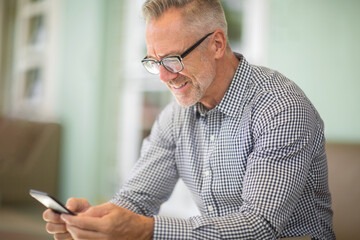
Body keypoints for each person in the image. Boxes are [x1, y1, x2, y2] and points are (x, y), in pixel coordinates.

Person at [43, 0, 335, 239]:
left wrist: (148, 231)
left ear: (217, 44)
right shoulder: (176, 117)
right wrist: (93, 222)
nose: (163, 76)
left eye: (172, 59)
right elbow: (135, 201)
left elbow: (259, 226)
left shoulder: (280, 108)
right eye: (154, 62)